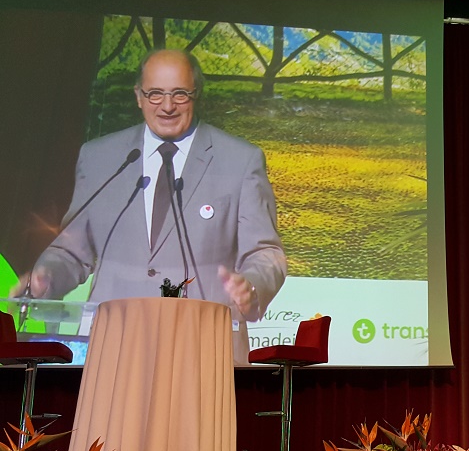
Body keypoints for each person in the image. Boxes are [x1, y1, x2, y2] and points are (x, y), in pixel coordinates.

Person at [12, 49, 287, 364]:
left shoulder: (240, 160)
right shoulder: (100, 157)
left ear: (197, 94)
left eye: (179, 94)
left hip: (204, 347)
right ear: (138, 96)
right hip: (113, 346)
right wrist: (46, 277)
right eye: (155, 94)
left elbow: (266, 254)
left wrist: (253, 287)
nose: (167, 106)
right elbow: (72, 250)